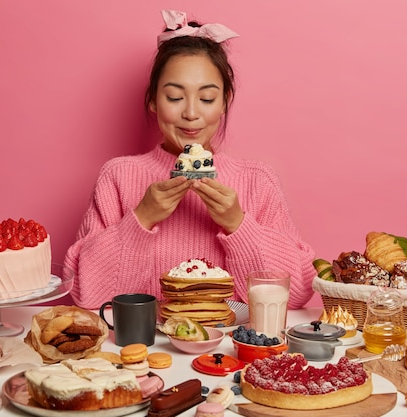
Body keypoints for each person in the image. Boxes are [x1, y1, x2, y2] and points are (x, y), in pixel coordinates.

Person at [64, 10, 316, 310]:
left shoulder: (257, 180)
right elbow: (87, 294)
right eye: (174, 97)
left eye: (207, 99)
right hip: (143, 351)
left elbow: (296, 294)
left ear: (224, 102)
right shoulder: (118, 177)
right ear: (153, 101)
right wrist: (141, 218)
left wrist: (238, 224)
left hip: (232, 353)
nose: (192, 113)